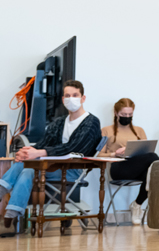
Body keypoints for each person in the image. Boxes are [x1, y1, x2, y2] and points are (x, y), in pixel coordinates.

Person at [0, 80, 102, 227]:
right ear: (62, 99)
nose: (71, 98)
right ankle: (13, 211)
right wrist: (26, 152)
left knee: (29, 166)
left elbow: (73, 148)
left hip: (73, 169)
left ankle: (7, 199)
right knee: (27, 167)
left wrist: (39, 152)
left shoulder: (91, 122)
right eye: (67, 95)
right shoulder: (60, 122)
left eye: (75, 95)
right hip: (53, 167)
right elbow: (44, 143)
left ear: (83, 98)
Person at [98, 98, 159, 225]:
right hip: (118, 168)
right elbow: (99, 154)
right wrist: (115, 153)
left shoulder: (139, 131)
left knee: (151, 171)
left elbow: (146, 151)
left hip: (136, 167)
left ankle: (137, 204)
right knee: (153, 158)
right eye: (123, 114)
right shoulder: (106, 130)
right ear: (116, 113)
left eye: (130, 115)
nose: (127, 117)